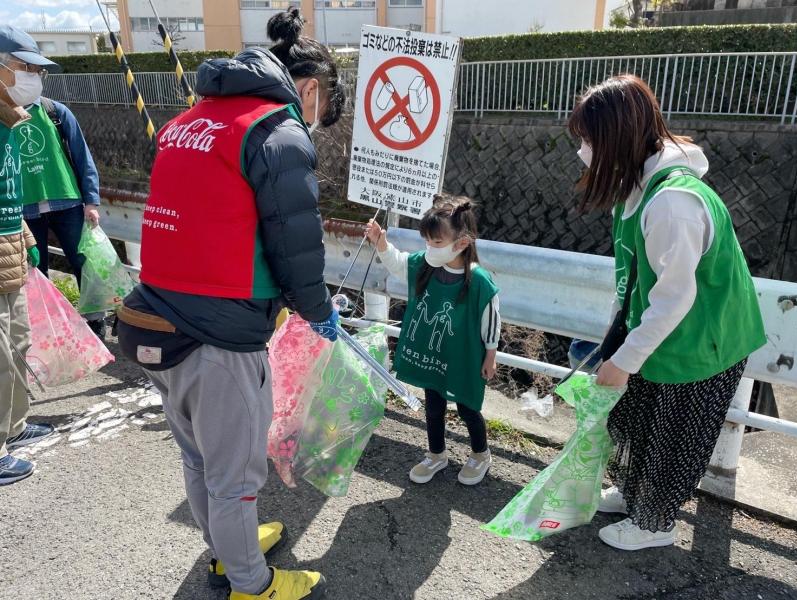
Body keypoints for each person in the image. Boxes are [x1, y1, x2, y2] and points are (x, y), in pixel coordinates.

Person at [116, 8, 343, 600]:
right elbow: (296, 242)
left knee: (201, 459)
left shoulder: (189, 120)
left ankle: (226, 549)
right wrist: (316, 309)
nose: (313, 124)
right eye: (322, 115)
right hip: (220, 333)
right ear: (310, 89)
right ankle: (251, 584)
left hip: (155, 315)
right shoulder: (275, 129)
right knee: (237, 477)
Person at [567, 75, 766, 551]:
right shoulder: (638, 188)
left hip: (703, 341)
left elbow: (674, 298)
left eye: (590, 140)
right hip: (663, 331)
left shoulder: (673, 203)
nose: (585, 151)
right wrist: (617, 344)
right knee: (639, 420)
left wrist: (623, 360)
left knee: (672, 434)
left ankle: (655, 523)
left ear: (616, 137)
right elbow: (632, 278)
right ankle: (635, 496)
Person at [366, 195, 502, 486]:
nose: (429, 248)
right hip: (434, 352)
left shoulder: (479, 280)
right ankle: (436, 454)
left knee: (467, 407)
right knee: (433, 405)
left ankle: (481, 454)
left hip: (464, 356)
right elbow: (400, 263)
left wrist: (491, 354)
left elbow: (492, 318)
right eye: (427, 241)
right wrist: (381, 244)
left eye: (436, 242)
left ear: (462, 242)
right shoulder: (425, 265)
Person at [0, 26, 105, 337]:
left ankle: (95, 322)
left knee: (84, 263)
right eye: (25, 68)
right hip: (22, 211)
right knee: (36, 272)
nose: (33, 75)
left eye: (37, 70)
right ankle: (45, 331)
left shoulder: (55, 112)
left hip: (66, 200)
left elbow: (82, 158)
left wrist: (91, 200)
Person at [0, 75, 53, 485]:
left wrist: (29, 239)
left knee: (17, 343)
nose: (33, 79)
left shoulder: (10, 125)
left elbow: (9, 196)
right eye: (21, 67)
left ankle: (13, 427)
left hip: (12, 253)